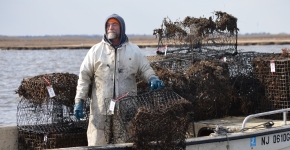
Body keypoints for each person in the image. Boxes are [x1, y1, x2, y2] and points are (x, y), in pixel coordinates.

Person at [73, 14, 164, 146]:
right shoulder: (95, 51)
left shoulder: (134, 51)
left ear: (122, 28)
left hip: (126, 110)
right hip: (100, 111)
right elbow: (84, 77)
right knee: (97, 144)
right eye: (108, 25)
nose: (111, 28)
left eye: (114, 25)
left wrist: (153, 78)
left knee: (126, 144)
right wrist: (79, 101)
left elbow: (145, 69)